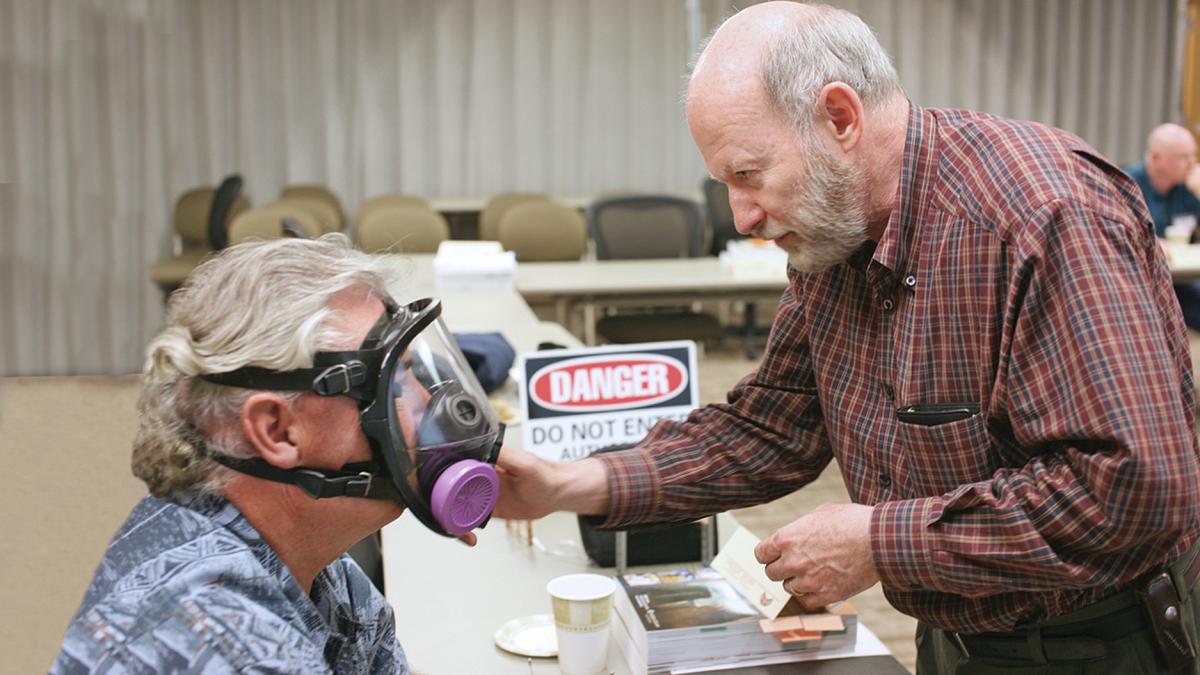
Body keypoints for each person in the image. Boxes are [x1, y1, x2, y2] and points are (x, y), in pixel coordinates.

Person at [495, 3, 1200, 672]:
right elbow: (769, 429)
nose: (741, 217)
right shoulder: (834, 234)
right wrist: (572, 483)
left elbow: (1134, 491)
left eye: (748, 174)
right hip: (958, 630)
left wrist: (878, 541)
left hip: (1104, 640)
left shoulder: (1042, 214)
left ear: (839, 116)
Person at [53, 234, 506, 673]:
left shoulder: (319, 570)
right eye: (394, 383)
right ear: (277, 430)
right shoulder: (214, 637)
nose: (429, 404)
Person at [1125, 123, 1200, 330]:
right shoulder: (1127, 185)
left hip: (1182, 278)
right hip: (1142, 281)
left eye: (1193, 156)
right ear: (1156, 158)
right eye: (1184, 157)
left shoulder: (1188, 186)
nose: (1192, 163)